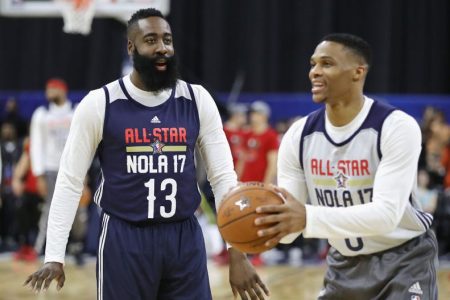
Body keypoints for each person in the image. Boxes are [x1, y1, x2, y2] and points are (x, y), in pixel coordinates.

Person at [25, 8, 268, 300]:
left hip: (184, 237)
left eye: (167, 39)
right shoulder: (100, 103)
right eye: (150, 40)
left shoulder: (196, 99)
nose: (162, 47)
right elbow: (69, 181)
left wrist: (237, 252)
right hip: (124, 238)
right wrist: (54, 255)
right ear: (132, 47)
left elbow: (223, 178)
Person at [255, 33, 438, 299]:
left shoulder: (395, 126)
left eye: (326, 64)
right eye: (313, 64)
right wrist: (258, 222)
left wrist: (306, 217)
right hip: (343, 264)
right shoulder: (298, 135)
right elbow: (288, 231)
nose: (314, 72)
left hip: (404, 259)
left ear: (358, 72)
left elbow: (387, 215)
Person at [29, 78, 75, 255]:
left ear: (63, 90)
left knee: (76, 210)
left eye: (52, 88)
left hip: (71, 168)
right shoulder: (42, 113)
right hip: (50, 168)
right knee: (49, 208)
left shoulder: (75, 111)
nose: (48, 92)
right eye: (47, 89)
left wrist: (84, 172)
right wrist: (39, 174)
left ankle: (75, 245)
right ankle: (41, 247)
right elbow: (36, 145)